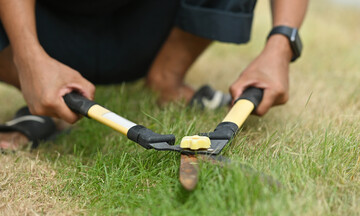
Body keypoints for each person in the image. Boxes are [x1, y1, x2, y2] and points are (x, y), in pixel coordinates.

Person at [0, 0, 308, 150]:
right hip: (35, 31)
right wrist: (28, 58)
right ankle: (42, 94)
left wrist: (280, 47)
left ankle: (167, 79)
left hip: (145, 35)